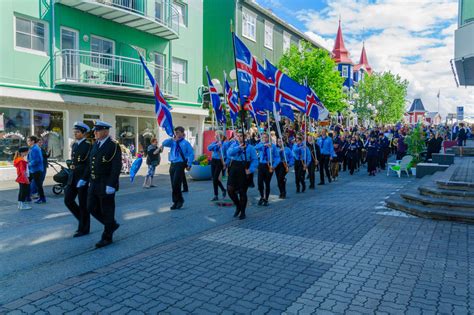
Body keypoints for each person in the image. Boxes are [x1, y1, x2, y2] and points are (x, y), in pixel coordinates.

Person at [77, 120, 122, 248]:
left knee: (107, 210)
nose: (95, 132)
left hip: (106, 183)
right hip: (94, 182)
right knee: (91, 207)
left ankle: (107, 237)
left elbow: (116, 166)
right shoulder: (96, 144)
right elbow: (90, 163)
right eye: (95, 130)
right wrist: (84, 178)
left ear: (106, 131)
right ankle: (111, 225)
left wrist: (112, 184)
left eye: (98, 130)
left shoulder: (113, 145)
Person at [65, 122, 92, 237]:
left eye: (77, 132)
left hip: (82, 177)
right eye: (74, 132)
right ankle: (82, 219)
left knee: (83, 204)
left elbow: (88, 164)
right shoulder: (75, 145)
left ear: (84, 133)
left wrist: (85, 178)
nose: (75, 134)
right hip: (73, 176)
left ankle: (84, 228)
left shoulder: (88, 145)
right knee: (68, 200)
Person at [226, 131, 258, 219]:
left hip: (244, 168)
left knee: (242, 191)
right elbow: (229, 154)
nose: (239, 138)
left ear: (245, 137)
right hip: (234, 167)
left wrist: (250, 170)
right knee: (230, 189)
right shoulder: (233, 145)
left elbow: (255, 160)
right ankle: (238, 206)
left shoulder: (250, 147)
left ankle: (243, 212)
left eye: (241, 136)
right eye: (238, 136)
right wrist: (239, 148)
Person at [161, 126, 194, 210]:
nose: (177, 134)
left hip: (180, 164)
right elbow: (164, 143)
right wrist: (172, 139)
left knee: (176, 183)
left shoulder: (186, 143)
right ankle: (176, 201)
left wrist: (189, 164)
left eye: (179, 133)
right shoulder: (173, 142)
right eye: (176, 133)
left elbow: (191, 154)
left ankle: (179, 200)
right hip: (172, 164)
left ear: (183, 133)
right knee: (173, 184)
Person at [255, 133, 279, 206]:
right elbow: (255, 147)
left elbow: (277, 157)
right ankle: (262, 196)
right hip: (261, 164)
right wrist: (263, 145)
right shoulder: (261, 145)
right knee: (259, 183)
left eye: (266, 137)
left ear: (268, 138)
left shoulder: (273, 146)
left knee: (267, 183)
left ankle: (266, 199)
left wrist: (274, 166)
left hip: (269, 165)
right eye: (263, 137)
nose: (264, 139)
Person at [207, 131, 227, 201]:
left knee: (215, 178)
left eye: (217, 135)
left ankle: (216, 195)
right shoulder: (214, 143)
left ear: (220, 136)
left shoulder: (224, 144)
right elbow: (208, 148)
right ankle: (223, 190)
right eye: (215, 135)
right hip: (213, 161)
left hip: (220, 161)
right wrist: (216, 145)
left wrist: (225, 163)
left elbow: (226, 154)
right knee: (214, 179)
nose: (215, 136)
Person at [27, 136, 46, 204]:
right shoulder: (33, 148)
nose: (28, 142)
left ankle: (42, 198)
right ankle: (28, 197)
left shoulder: (35, 149)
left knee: (38, 185)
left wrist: (29, 164)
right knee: (28, 182)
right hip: (33, 169)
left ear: (33, 141)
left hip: (36, 170)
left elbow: (37, 160)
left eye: (29, 140)